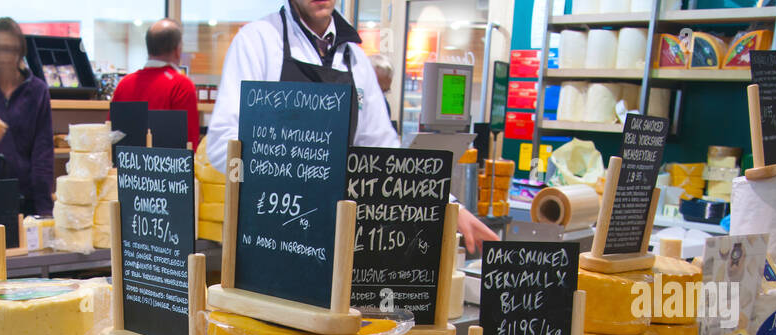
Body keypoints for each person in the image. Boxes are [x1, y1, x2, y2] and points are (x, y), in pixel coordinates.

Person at [207, 0, 496, 252]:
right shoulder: (257, 42)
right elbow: (222, 146)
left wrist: (447, 205)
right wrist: (290, 173)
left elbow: (384, 155)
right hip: (271, 233)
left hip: (339, 237)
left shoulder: (354, 59)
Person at [0, 18, 54, 216]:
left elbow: (43, 153)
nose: (4, 57)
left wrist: (45, 211)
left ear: (20, 51)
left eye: (10, 49)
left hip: (28, 199)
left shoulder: (37, 91)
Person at [112, 19, 200, 149]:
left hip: (124, 167)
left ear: (149, 49)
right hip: (169, 167)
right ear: (178, 50)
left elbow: (112, 135)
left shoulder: (124, 84)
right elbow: (190, 143)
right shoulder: (181, 85)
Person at [370, 52, 393, 120]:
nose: (380, 97)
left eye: (385, 92)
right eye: (377, 90)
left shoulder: (384, 107)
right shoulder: (354, 106)